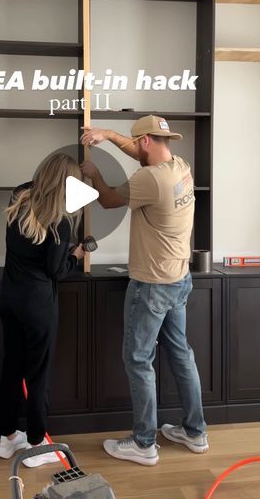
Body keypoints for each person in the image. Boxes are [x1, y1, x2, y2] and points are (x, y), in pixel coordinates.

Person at [80, 115, 208, 466]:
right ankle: (196, 432)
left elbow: (106, 200)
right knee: (181, 353)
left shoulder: (148, 179)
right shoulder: (181, 166)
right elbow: (138, 150)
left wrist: (95, 174)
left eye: (137, 144)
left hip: (152, 284)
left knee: (138, 360)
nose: (133, 148)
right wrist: (107, 135)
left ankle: (143, 443)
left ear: (146, 142)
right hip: (179, 278)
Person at [0, 153, 85, 467]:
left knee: (11, 368)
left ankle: (8, 438)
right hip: (37, 306)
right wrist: (77, 253)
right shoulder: (58, 219)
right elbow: (56, 270)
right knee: (38, 375)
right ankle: (35, 444)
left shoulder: (18, 197)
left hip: (9, 298)